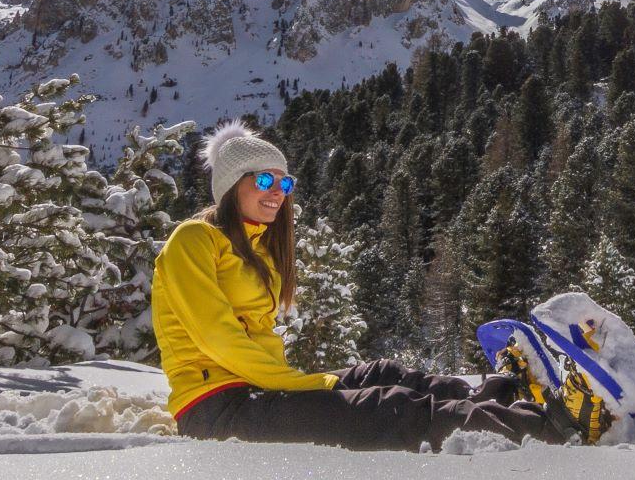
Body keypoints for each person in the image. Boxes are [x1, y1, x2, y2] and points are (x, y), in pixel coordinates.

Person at [153, 121, 562, 449]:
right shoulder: (192, 240)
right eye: (264, 181)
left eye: (285, 183)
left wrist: (297, 382)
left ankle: (505, 393)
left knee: (381, 372)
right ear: (230, 186)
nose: (278, 192)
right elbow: (215, 336)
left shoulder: (258, 248)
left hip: (260, 389)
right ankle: (547, 426)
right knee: (386, 410)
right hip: (216, 408)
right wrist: (304, 383)